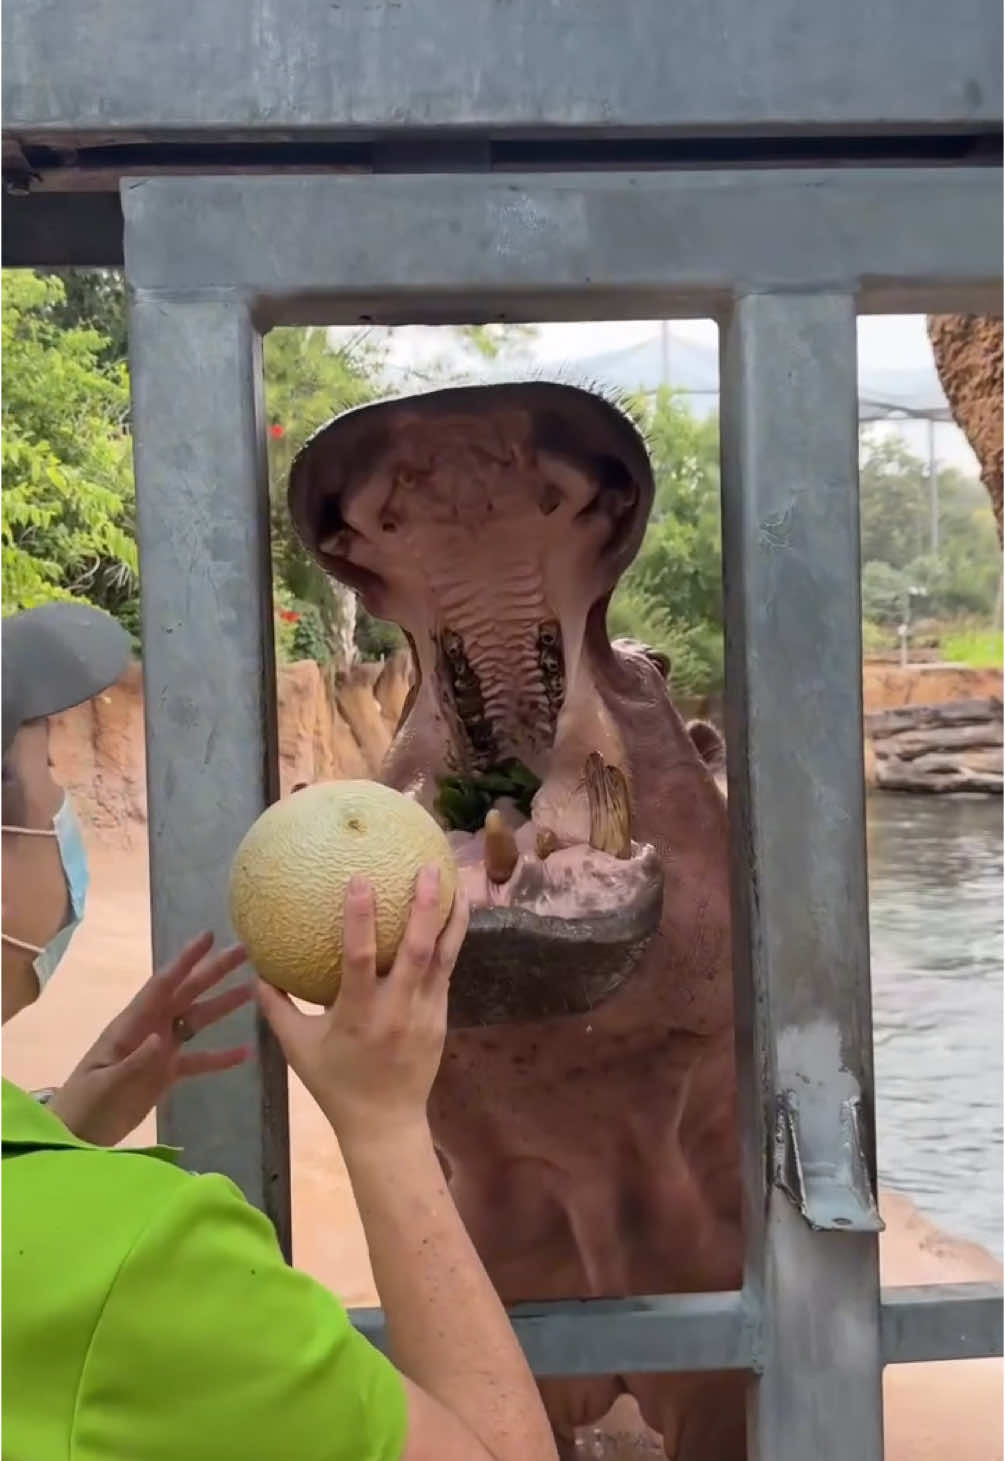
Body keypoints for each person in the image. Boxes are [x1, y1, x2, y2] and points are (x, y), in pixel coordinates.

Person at [2, 601, 559, 1461]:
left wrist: (57, 1129)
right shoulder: (138, 1263)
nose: (61, 804)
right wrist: (383, 1126)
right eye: (44, 771)